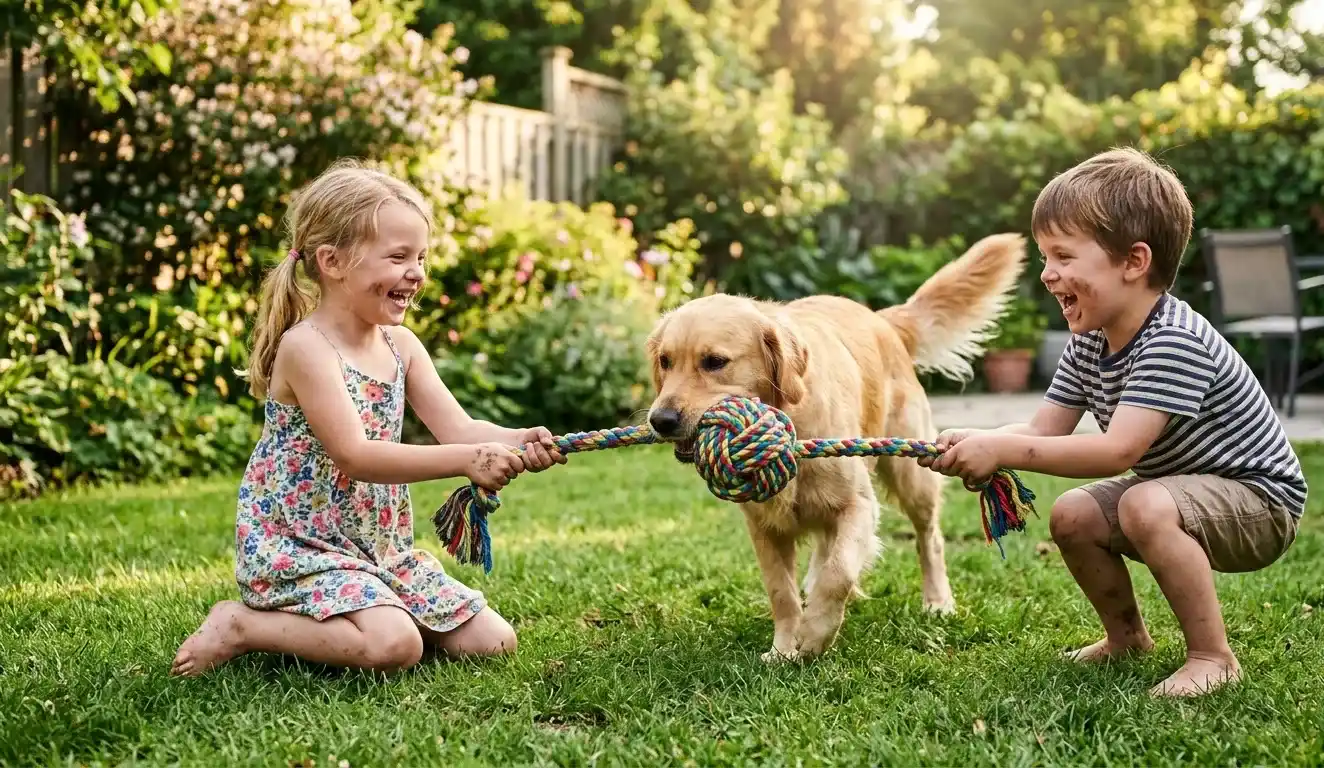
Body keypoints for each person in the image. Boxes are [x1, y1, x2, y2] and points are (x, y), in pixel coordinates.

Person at [921, 147, 1307, 698]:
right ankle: (1126, 639)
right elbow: (1043, 431)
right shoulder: (1090, 341)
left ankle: (1212, 657)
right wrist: (980, 440)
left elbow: (1117, 452)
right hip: (1181, 491)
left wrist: (999, 453)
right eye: (1045, 256)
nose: (1048, 274)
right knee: (1074, 514)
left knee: (1141, 502)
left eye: (1064, 256)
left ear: (1133, 262)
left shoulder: (1172, 340)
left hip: (1260, 502)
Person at [171, 159, 566, 677]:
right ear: (332, 261)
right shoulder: (307, 348)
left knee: (492, 641)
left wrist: (518, 440)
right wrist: (469, 460)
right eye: (399, 256)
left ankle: (375, 606)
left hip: (377, 549)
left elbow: (460, 429)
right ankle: (242, 624)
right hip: (303, 545)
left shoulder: (401, 345)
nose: (417, 272)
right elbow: (355, 455)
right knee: (395, 648)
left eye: (421, 256)